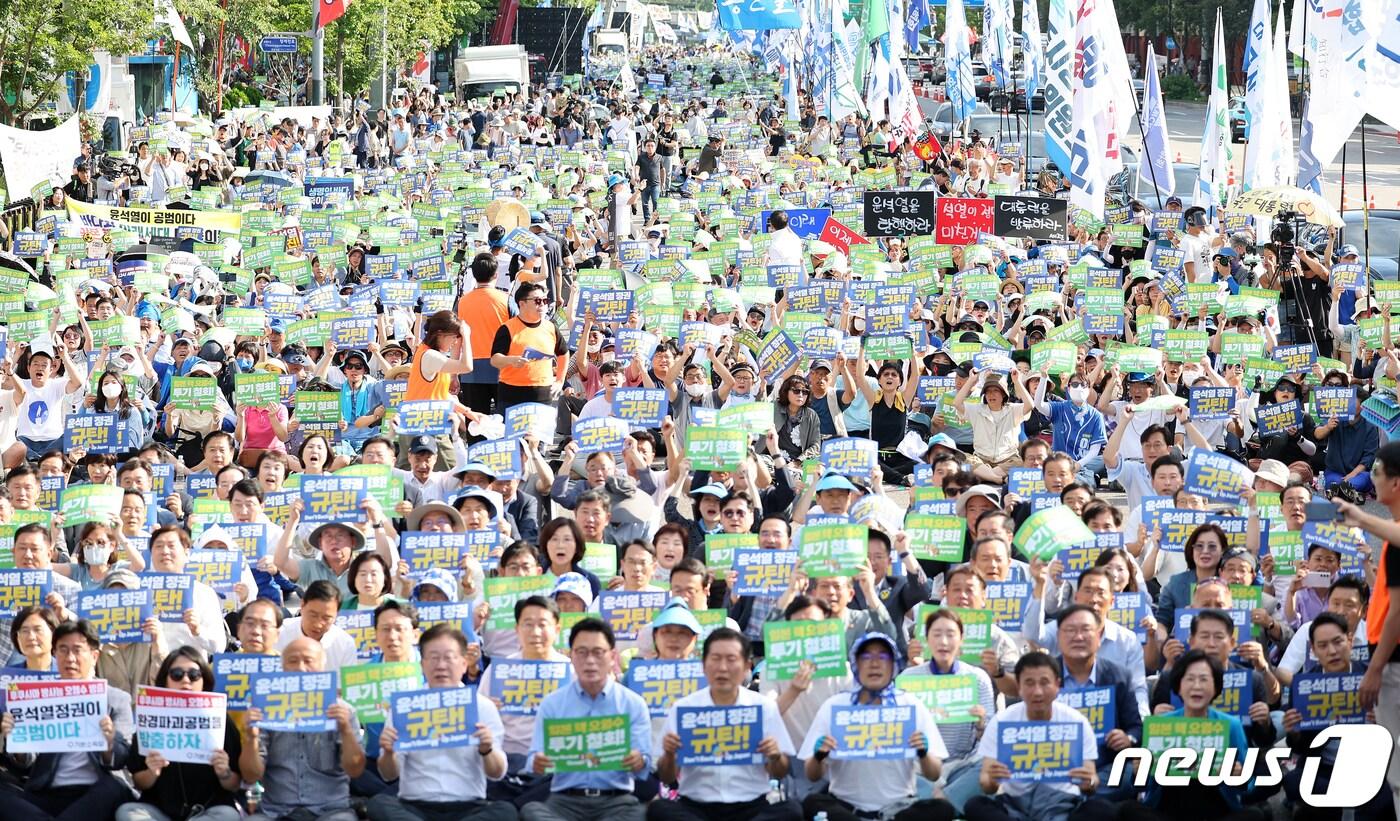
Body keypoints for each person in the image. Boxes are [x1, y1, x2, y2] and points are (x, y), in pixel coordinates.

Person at [368, 623, 518, 821]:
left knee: (505, 811)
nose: (441, 665)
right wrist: (388, 752)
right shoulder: (405, 706)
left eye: (449, 657)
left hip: (469, 807)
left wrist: (487, 750)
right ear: (422, 664)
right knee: (379, 805)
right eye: (433, 657)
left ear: (464, 663)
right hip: (414, 807)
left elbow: (497, 773)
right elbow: (388, 774)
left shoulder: (482, 707)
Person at [799, 632, 955, 821]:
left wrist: (923, 753)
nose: (874, 664)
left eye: (882, 657)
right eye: (866, 657)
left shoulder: (910, 705)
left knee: (942, 809)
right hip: (846, 808)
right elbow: (812, 774)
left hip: (899, 809)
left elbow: (934, 773)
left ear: (893, 665)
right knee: (813, 804)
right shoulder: (835, 707)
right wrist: (818, 756)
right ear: (856, 664)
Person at [650, 628, 801, 821]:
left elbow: (779, 772)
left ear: (747, 666)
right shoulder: (683, 709)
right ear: (704, 665)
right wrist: (670, 754)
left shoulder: (763, 708)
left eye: (731, 659)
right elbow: (666, 777)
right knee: (660, 810)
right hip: (696, 807)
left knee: (792, 811)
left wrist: (774, 756)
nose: (722, 668)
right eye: (715, 658)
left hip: (751, 806)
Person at [0, 620, 135, 821]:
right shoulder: (39, 698)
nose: (70, 658)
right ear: (55, 654)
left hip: (96, 791)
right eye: (63, 650)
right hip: (47, 792)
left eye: (77, 650)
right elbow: (27, 763)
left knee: (114, 788)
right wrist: (16, 740)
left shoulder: (116, 699)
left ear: (94, 655)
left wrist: (109, 742)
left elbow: (122, 757)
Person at [522, 618, 652, 821]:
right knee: (531, 811)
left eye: (598, 652)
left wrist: (638, 760)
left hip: (616, 802)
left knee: (641, 813)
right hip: (564, 803)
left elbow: (644, 765)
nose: (590, 661)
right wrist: (537, 763)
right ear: (571, 656)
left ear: (612, 657)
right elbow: (532, 760)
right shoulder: (552, 703)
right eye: (581, 652)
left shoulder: (633, 704)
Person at [240, 637, 367, 821]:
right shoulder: (265, 711)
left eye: (308, 661)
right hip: (275, 811)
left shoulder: (343, 711)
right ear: (282, 668)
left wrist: (346, 731)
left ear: (323, 666)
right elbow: (251, 776)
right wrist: (250, 739)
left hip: (331, 810)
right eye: (292, 661)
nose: (300, 668)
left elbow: (355, 770)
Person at [964, 652, 1099, 821]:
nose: (1037, 692)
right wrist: (992, 780)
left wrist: (1089, 782)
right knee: (975, 805)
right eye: (1029, 683)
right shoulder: (1002, 722)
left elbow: (1092, 779)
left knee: (1099, 809)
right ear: (1019, 687)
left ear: (1057, 685)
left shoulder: (1077, 721)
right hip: (1014, 802)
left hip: (1061, 802)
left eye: (1044, 683)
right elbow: (986, 784)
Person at [118, 647, 244, 821]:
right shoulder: (150, 717)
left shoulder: (221, 720)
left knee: (228, 816)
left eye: (194, 675)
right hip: (159, 811)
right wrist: (152, 772)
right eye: (177, 674)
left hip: (209, 811)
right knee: (127, 813)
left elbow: (234, 783)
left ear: (204, 680)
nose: (186, 680)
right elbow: (139, 782)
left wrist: (224, 773)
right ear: (166, 679)